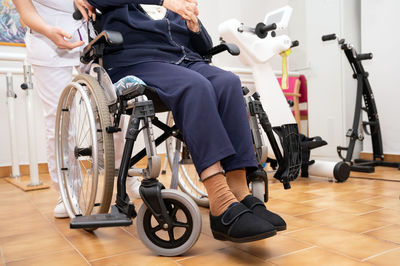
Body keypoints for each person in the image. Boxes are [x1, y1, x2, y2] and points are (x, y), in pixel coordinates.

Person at [88, 0, 287, 242]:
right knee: (195, 86)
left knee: (228, 83)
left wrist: (194, 27)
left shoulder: (178, 5)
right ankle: (220, 201)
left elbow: (204, 46)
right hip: (138, 61)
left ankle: (239, 190)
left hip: (185, 61)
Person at [12, 0, 141, 218]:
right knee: (59, 119)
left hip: (90, 36)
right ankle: (67, 190)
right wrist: (47, 30)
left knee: (113, 108)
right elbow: (25, 11)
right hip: (47, 39)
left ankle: (125, 177)